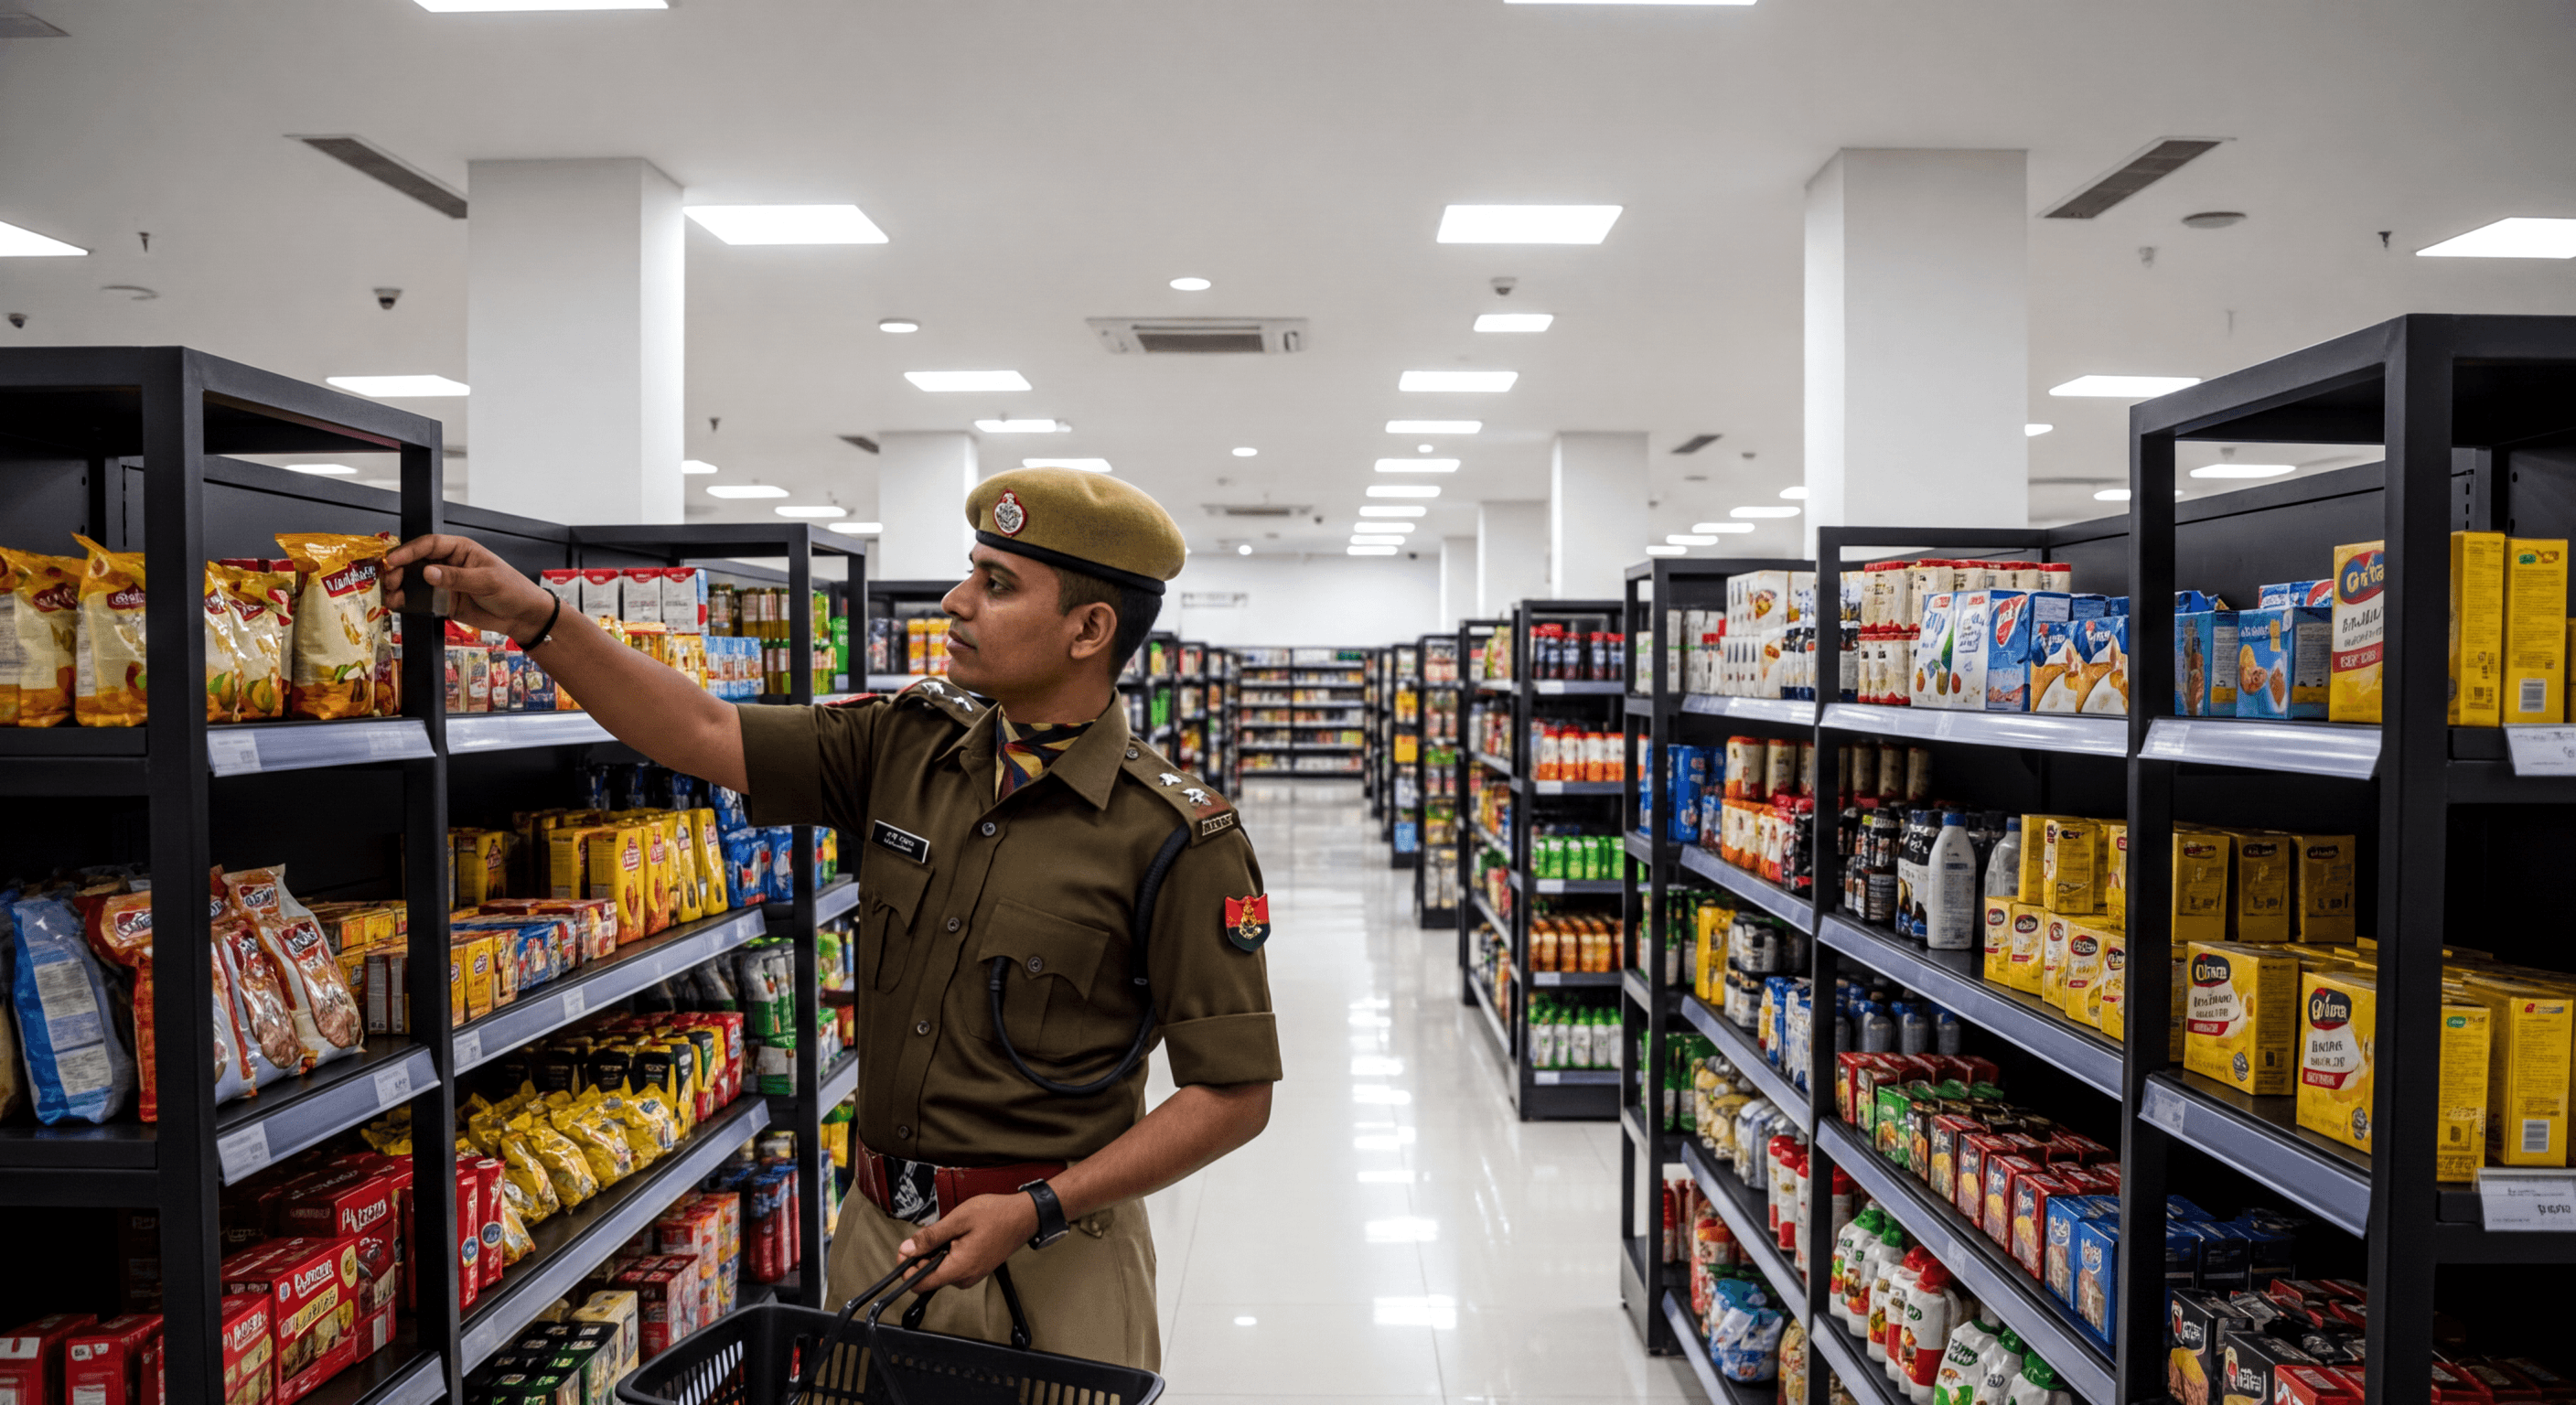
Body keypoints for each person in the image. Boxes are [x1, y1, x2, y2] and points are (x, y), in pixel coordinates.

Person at [384, 467, 1280, 1371]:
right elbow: (701, 732)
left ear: (1089, 630)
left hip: (1054, 1258)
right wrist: (537, 619)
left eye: (996, 584)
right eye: (969, 570)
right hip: (876, 1238)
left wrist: (1039, 1205)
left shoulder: (1175, 835)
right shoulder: (905, 743)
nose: (954, 600)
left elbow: (1232, 1096)